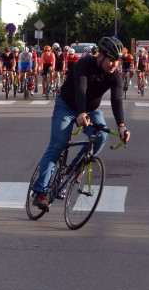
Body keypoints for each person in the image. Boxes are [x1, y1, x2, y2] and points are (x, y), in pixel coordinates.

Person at [30, 36, 131, 212]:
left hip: (91, 111)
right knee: (57, 145)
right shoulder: (84, 64)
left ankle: (76, 168)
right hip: (67, 106)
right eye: (111, 60)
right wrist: (81, 113)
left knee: (101, 136)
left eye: (117, 61)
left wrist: (122, 126)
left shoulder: (115, 75)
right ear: (100, 56)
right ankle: (40, 192)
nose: (114, 64)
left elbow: (117, 99)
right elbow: (80, 90)